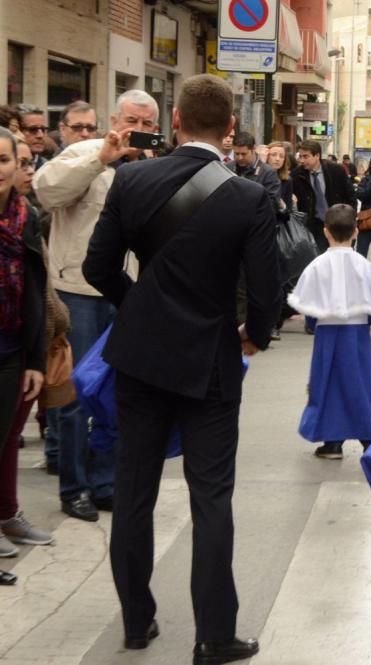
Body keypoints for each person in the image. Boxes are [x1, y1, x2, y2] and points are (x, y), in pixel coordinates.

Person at [82, 74, 279, 663]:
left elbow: (98, 268)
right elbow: (267, 292)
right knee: (211, 497)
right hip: (211, 360)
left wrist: (136, 304)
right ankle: (214, 635)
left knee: (133, 488)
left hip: (140, 358)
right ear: (230, 130)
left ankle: (137, 622)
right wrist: (255, 336)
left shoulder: (132, 178)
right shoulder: (249, 197)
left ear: (173, 122)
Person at [34, 90, 158, 522]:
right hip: (79, 293)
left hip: (129, 296)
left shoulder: (154, 168)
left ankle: (106, 483)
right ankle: (75, 487)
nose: (137, 129)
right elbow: (45, 191)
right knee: (74, 398)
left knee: (117, 394)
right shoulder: (86, 152)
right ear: (114, 118)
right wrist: (100, 158)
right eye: (130, 119)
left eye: (146, 123)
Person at [288, 204, 371, 460]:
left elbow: (306, 306)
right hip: (357, 335)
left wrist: (314, 324)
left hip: (326, 334)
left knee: (326, 384)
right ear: (356, 231)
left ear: (325, 231)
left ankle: (332, 442)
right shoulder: (365, 266)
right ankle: (369, 438)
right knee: (360, 384)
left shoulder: (316, 265)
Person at [0, 128, 47, 586]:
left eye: (2, 160)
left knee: (4, 439)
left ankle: (7, 515)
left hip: (12, 347)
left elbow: (35, 290)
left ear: (17, 166)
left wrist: (35, 358)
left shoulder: (25, 216)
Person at [292, 140, 355, 253]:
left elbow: (350, 196)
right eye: (300, 156)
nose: (301, 160)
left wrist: (349, 218)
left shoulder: (336, 171)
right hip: (312, 225)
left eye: (305, 156)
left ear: (317, 156)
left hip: (337, 222)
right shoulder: (297, 175)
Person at [228, 132, 281, 212]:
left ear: (253, 149)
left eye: (244, 154)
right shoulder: (227, 168)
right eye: (236, 154)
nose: (240, 158)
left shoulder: (268, 173)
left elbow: (272, 205)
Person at [17, 104, 50, 170]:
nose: (40, 135)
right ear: (17, 131)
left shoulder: (49, 168)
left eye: (43, 130)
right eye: (33, 129)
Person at [267, 141, 295, 214]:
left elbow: (288, 211)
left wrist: (282, 205)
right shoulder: (260, 175)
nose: (277, 159)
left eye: (281, 156)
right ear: (266, 156)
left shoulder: (287, 180)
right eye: (273, 155)